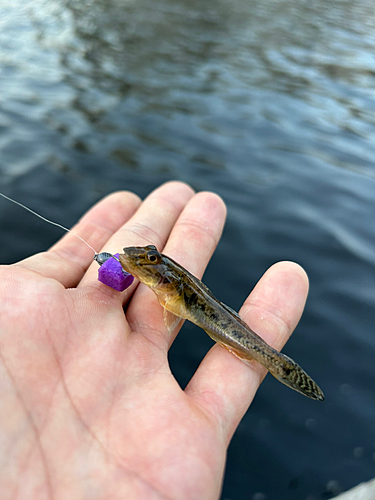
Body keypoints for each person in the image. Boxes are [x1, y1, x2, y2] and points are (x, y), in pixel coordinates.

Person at [0, 181, 309, 499]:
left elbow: (171, 304)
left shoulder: (173, 287)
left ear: (166, 281)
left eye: (148, 261)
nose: (137, 260)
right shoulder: (167, 278)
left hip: (222, 322)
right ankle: (274, 362)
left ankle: (276, 364)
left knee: (248, 345)